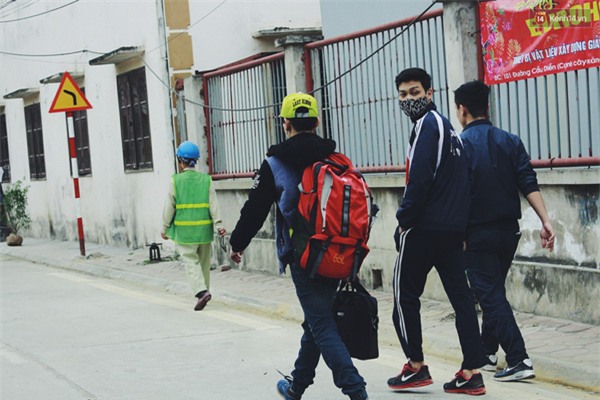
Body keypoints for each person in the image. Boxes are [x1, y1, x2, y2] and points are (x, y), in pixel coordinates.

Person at [228, 93, 369, 400]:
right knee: (316, 320)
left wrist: (237, 243)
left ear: (285, 123)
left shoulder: (275, 163)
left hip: (304, 255)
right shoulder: (335, 158)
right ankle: (297, 387)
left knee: (321, 324)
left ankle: (355, 389)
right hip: (340, 251)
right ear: (316, 122)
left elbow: (255, 209)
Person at [388, 67, 486, 396]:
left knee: (403, 295)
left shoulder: (427, 126)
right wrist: (462, 226)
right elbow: (466, 181)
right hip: (451, 231)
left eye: (415, 92)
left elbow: (419, 178)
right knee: (462, 299)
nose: (409, 100)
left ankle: (415, 366)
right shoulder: (449, 129)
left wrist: (403, 220)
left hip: (424, 228)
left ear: (429, 93)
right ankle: (472, 372)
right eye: (403, 95)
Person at [454, 80, 555, 382]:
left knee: (490, 296)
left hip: (477, 235)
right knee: (493, 290)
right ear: (487, 107)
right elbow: (528, 181)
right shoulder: (511, 141)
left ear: (462, 110)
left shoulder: (458, 146)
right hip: (509, 233)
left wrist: (458, 234)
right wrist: (545, 221)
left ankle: (519, 358)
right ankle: (487, 351)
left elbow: (457, 194)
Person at [161, 141, 226, 311]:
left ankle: (201, 292)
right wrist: (219, 224)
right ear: (195, 161)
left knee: (190, 261)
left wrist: (164, 227)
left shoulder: (175, 181)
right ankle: (205, 291)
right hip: (204, 230)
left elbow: (169, 207)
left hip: (185, 232)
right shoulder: (206, 180)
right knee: (203, 263)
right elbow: (214, 204)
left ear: (180, 161)